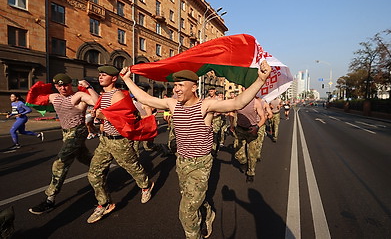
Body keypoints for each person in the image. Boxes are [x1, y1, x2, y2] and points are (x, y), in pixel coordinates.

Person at [120, 60, 271, 239]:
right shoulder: (172, 104)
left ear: (193, 88)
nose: (176, 89)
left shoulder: (205, 106)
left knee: (187, 211)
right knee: (191, 196)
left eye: (181, 85)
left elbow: (237, 103)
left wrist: (260, 80)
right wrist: (127, 79)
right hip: (181, 161)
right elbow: (145, 99)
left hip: (200, 164)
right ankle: (208, 213)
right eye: (175, 85)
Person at [86, 65, 154, 224]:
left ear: (114, 78)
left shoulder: (119, 96)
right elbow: (105, 117)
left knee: (133, 168)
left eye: (104, 75)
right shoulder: (104, 95)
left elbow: (128, 121)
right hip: (105, 140)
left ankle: (146, 186)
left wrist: (105, 116)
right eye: (100, 74)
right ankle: (104, 203)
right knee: (94, 174)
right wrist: (100, 120)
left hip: (119, 141)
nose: (100, 77)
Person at [29, 74, 99, 214]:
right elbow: (37, 100)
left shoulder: (78, 96)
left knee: (60, 163)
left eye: (65, 85)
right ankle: (101, 168)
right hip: (66, 133)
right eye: (59, 86)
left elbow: (98, 102)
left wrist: (89, 87)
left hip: (78, 131)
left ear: (70, 84)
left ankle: (50, 199)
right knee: (83, 157)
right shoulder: (54, 97)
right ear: (55, 86)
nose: (63, 88)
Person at [233, 92, 266, 183]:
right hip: (240, 129)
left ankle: (251, 173)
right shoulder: (238, 100)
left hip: (252, 130)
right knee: (238, 154)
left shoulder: (256, 102)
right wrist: (232, 126)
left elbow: (263, 117)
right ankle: (243, 162)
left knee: (252, 154)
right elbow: (231, 112)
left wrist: (257, 127)